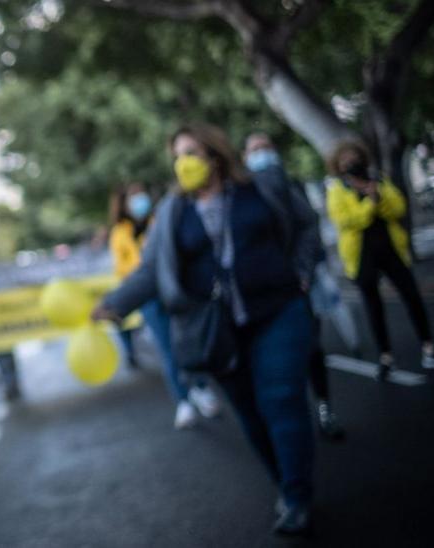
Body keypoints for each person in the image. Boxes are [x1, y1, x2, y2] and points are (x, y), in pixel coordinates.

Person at [94, 124, 320, 536]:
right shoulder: (173, 213)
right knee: (251, 415)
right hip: (217, 330)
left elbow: (306, 225)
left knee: (281, 399)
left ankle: (298, 495)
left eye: (192, 152)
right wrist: (115, 303)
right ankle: (285, 487)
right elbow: (151, 271)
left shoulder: (262, 188)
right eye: (178, 155)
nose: (185, 163)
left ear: (215, 155)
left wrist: (303, 271)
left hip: (278, 311)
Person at [245, 133, 345, 440]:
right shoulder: (240, 193)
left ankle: (324, 409)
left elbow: (308, 227)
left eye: (265, 147)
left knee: (312, 350)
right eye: (254, 149)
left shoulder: (290, 185)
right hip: (262, 294)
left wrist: (302, 271)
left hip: (296, 287)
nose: (261, 154)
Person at [325, 140, 434, 377]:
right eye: (345, 161)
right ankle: (386, 355)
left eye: (354, 158)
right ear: (338, 166)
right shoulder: (337, 190)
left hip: (390, 250)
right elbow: (346, 220)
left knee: (411, 295)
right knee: (373, 306)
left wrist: (377, 195)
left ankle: (428, 346)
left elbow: (398, 207)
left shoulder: (378, 180)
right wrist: (370, 203)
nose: (351, 163)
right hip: (361, 257)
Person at [108, 183, 219, 429]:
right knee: (168, 349)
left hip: (174, 289)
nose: (139, 200)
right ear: (123, 204)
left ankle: (201, 388)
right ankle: (184, 401)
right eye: (133, 197)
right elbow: (122, 268)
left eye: (141, 194)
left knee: (190, 340)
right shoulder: (120, 233)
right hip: (149, 296)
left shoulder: (162, 218)